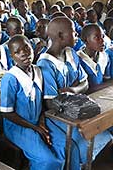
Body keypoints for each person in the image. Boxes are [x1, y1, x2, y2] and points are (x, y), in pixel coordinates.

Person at [37, 17, 112, 170]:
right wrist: (75, 91)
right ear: (60, 36)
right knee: (77, 145)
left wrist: (72, 90)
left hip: (75, 109)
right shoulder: (45, 64)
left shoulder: (70, 53)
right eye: (72, 31)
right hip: (57, 117)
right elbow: (52, 103)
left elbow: (84, 82)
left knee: (102, 133)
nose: (76, 33)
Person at [0, 35, 64, 170]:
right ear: (12, 57)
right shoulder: (10, 78)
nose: (24, 53)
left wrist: (40, 121)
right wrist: (34, 128)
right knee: (48, 161)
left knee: (64, 146)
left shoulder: (38, 71)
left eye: (26, 48)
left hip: (38, 121)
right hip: (17, 126)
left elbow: (40, 103)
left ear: (33, 48)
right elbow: (7, 113)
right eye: (17, 52)